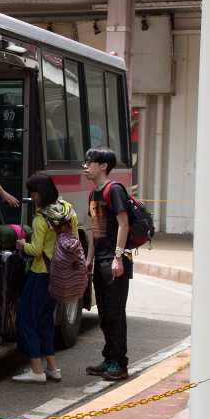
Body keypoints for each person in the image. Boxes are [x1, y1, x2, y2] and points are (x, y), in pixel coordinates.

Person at [12, 173, 76, 383]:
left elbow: (36, 250)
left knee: (27, 319)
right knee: (46, 320)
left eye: (33, 192)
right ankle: (53, 368)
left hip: (41, 274)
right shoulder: (68, 211)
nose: (32, 196)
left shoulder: (41, 219)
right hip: (60, 274)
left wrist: (22, 244)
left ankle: (37, 370)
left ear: (40, 194)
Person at [83, 146, 131, 381]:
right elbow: (95, 229)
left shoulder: (115, 190)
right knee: (103, 313)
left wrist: (118, 257)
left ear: (103, 166)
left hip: (115, 261)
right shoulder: (93, 194)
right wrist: (89, 258)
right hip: (100, 260)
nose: (86, 166)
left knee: (115, 313)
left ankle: (120, 364)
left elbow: (124, 224)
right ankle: (109, 358)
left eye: (90, 162)